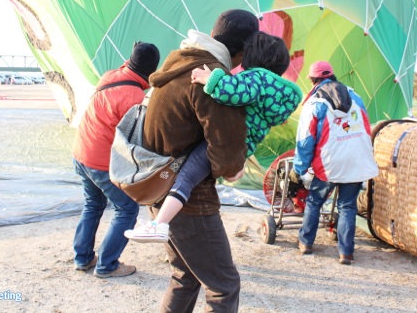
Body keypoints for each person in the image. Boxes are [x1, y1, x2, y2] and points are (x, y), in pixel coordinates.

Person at [125, 32, 302, 243]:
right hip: (245, 144)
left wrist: (209, 78)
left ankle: (159, 224)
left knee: (186, 178)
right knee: (194, 175)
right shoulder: (283, 92)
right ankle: (233, 170)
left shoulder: (259, 78)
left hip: (231, 139)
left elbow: (233, 92)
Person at [140, 9, 258, 312]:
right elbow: (229, 156)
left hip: (159, 187)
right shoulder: (213, 78)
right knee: (223, 286)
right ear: (245, 47)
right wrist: (235, 165)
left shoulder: (178, 61)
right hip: (191, 200)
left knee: (185, 277)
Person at [72, 41, 160, 278]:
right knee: (127, 209)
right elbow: (139, 140)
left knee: (93, 204)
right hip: (101, 164)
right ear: (152, 72)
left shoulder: (109, 76)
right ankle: (107, 265)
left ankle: (83, 258)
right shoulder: (134, 98)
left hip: (81, 154)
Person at [293, 61, 378, 265]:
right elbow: (366, 127)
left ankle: (305, 243)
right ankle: (346, 253)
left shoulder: (314, 103)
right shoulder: (355, 96)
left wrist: (300, 168)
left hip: (329, 163)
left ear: (313, 80)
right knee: (347, 206)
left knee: (314, 202)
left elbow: (305, 140)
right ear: (332, 75)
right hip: (358, 159)